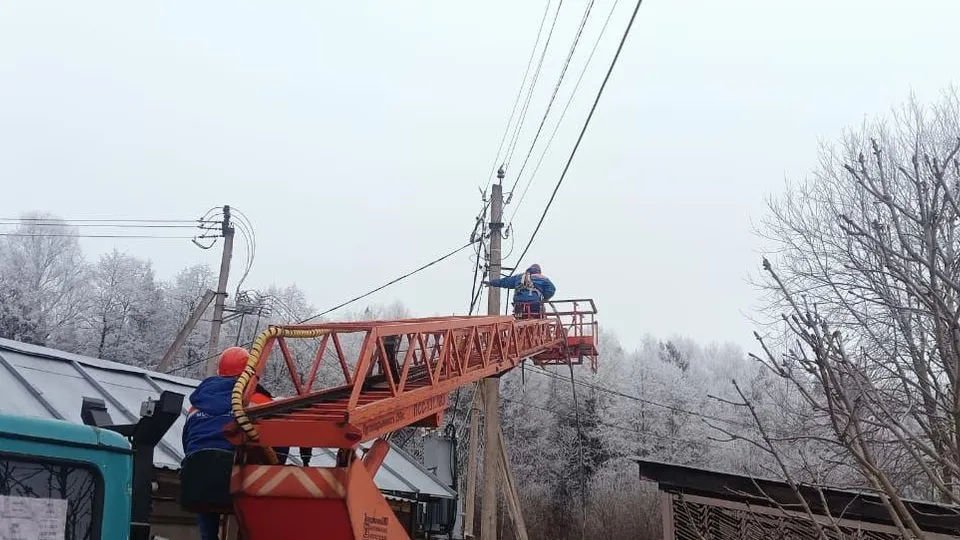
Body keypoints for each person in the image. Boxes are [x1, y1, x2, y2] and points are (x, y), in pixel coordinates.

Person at [182, 346, 273, 540]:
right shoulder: (258, 400)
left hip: (196, 476)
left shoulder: (196, 405)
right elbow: (277, 443)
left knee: (206, 488)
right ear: (250, 371)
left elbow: (187, 442)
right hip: (239, 478)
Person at [485, 263, 556, 319]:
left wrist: (491, 282)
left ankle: (519, 320)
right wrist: (545, 297)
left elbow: (505, 282)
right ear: (539, 271)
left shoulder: (519, 276)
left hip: (519, 302)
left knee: (519, 319)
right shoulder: (542, 278)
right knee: (540, 317)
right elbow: (551, 290)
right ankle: (541, 329)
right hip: (534, 303)